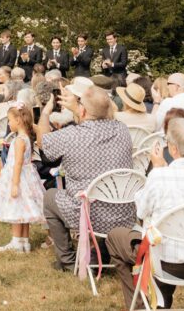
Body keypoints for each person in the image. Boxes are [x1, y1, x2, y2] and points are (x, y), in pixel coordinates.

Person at [106, 116, 184, 311]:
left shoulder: (161, 177)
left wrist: (157, 170)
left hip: (165, 262)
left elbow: (141, 212)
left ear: (173, 148)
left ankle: (143, 309)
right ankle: (161, 307)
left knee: (116, 237)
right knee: (164, 237)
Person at [36, 86, 134, 271]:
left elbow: (42, 142)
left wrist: (46, 112)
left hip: (87, 213)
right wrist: (80, 108)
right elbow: (100, 116)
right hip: (123, 211)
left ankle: (67, 260)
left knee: (49, 197)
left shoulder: (72, 135)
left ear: (82, 111)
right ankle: (101, 252)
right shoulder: (122, 129)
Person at [0, 102, 45, 253]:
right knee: (24, 210)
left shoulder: (19, 141)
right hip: (28, 177)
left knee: (17, 209)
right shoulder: (26, 137)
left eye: (9, 120)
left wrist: (15, 184)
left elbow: (18, 163)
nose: (8, 124)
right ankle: (25, 242)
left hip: (19, 177)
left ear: (18, 120)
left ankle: (16, 241)